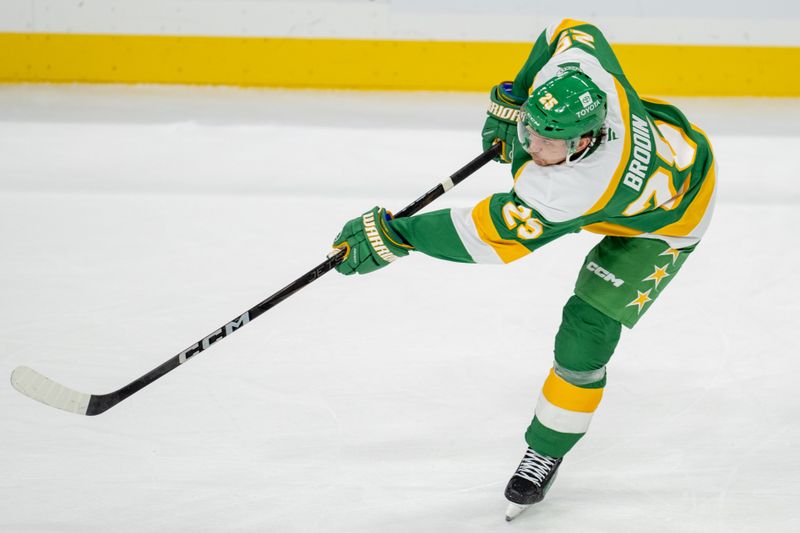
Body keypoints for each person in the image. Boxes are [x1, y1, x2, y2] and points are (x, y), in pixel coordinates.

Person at [331, 18, 716, 521]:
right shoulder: (584, 75)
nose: (531, 145)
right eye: (530, 129)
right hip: (671, 144)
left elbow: (489, 236)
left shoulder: (575, 188)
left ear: (583, 143)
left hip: (668, 218)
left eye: (546, 144)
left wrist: (400, 235)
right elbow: (573, 29)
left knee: (585, 333)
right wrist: (516, 96)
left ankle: (547, 449)